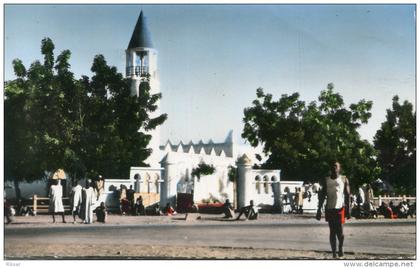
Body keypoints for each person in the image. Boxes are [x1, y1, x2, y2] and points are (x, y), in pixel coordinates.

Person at [316, 161, 351, 258]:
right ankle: (334, 253)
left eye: (336, 166)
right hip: (329, 208)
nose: (334, 168)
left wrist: (348, 209)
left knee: (340, 231)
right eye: (332, 166)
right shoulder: (326, 180)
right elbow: (322, 196)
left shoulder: (344, 179)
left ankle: (340, 247)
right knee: (332, 231)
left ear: (339, 168)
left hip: (340, 208)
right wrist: (319, 210)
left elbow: (347, 195)